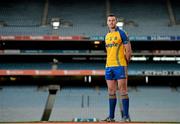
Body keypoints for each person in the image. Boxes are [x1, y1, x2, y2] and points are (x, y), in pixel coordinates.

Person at [103, 14, 132, 122]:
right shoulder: (106, 36)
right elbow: (108, 52)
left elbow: (128, 51)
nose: (111, 22)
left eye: (113, 20)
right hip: (108, 66)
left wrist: (125, 63)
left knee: (123, 91)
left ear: (116, 22)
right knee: (111, 91)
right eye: (109, 20)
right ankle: (111, 117)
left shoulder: (122, 33)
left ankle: (126, 117)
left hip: (120, 65)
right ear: (107, 22)